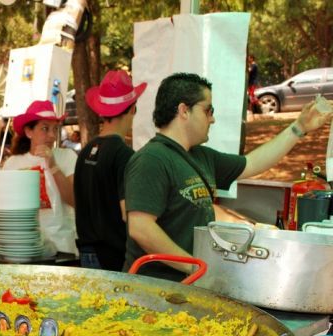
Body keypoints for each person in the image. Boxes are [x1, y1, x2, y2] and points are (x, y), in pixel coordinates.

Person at [124, 72, 333, 281]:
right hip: (154, 288)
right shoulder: (152, 159)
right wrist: (194, 267)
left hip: (187, 286)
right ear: (184, 110)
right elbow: (141, 228)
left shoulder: (201, 156)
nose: (212, 118)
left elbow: (252, 163)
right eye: (208, 110)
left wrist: (299, 128)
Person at [74, 70, 147, 271]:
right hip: (112, 258)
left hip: (86, 252)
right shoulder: (124, 155)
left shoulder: (86, 150)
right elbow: (128, 214)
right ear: (132, 109)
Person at [3, 100, 77, 254]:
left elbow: (75, 200)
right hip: (23, 247)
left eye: (54, 129)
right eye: (45, 128)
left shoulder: (67, 157)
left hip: (62, 246)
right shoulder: (13, 163)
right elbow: (4, 208)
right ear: (29, 132)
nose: (51, 135)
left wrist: (53, 166)